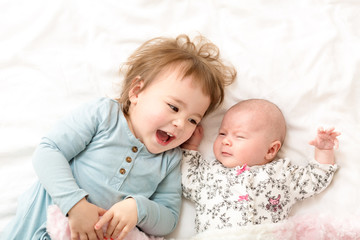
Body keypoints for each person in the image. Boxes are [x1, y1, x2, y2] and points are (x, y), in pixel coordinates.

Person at [1, 34, 236, 240]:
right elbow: (49, 151)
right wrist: (75, 204)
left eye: (193, 120)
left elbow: (169, 219)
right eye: (174, 107)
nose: (180, 124)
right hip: (39, 223)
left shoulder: (169, 159)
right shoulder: (104, 115)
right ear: (136, 92)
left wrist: (138, 208)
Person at [181, 99, 340, 233]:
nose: (226, 141)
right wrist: (191, 146)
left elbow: (315, 179)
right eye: (222, 133)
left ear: (270, 150)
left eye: (240, 136)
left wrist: (324, 150)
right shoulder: (209, 172)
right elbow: (187, 181)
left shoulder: (282, 175)